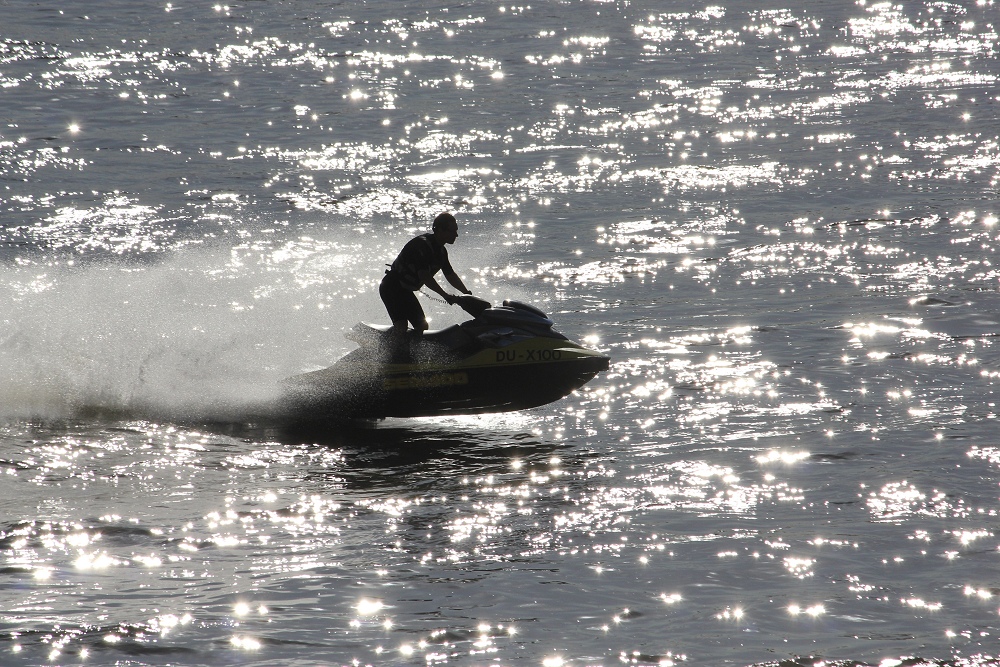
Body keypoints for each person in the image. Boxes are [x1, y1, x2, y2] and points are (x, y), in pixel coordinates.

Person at [379, 212, 473, 336]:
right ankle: (387, 352)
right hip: (391, 287)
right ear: (439, 230)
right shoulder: (422, 245)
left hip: (405, 291)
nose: (456, 234)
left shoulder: (441, 252)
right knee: (402, 325)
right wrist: (444, 295)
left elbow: (450, 275)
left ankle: (412, 353)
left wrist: (466, 293)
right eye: (452, 231)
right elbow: (425, 276)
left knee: (422, 326)